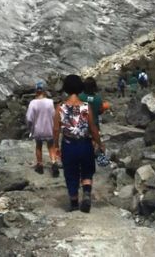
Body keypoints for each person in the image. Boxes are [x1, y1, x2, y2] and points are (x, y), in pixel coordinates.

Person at [53, 74, 104, 212]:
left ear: (66, 88)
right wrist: (99, 143)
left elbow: (56, 129)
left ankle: (74, 203)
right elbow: (93, 128)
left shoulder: (60, 107)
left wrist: (56, 146)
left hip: (68, 145)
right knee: (87, 170)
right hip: (85, 144)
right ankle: (86, 193)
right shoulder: (86, 107)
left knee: (71, 173)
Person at [26, 81, 58, 176]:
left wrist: (30, 127)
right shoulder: (50, 102)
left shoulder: (33, 103)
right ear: (44, 91)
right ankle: (54, 163)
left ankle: (40, 166)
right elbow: (54, 115)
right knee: (51, 146)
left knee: (38, 146)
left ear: (36, 91)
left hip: (38, 129)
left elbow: (29, 118)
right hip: (48, 128)